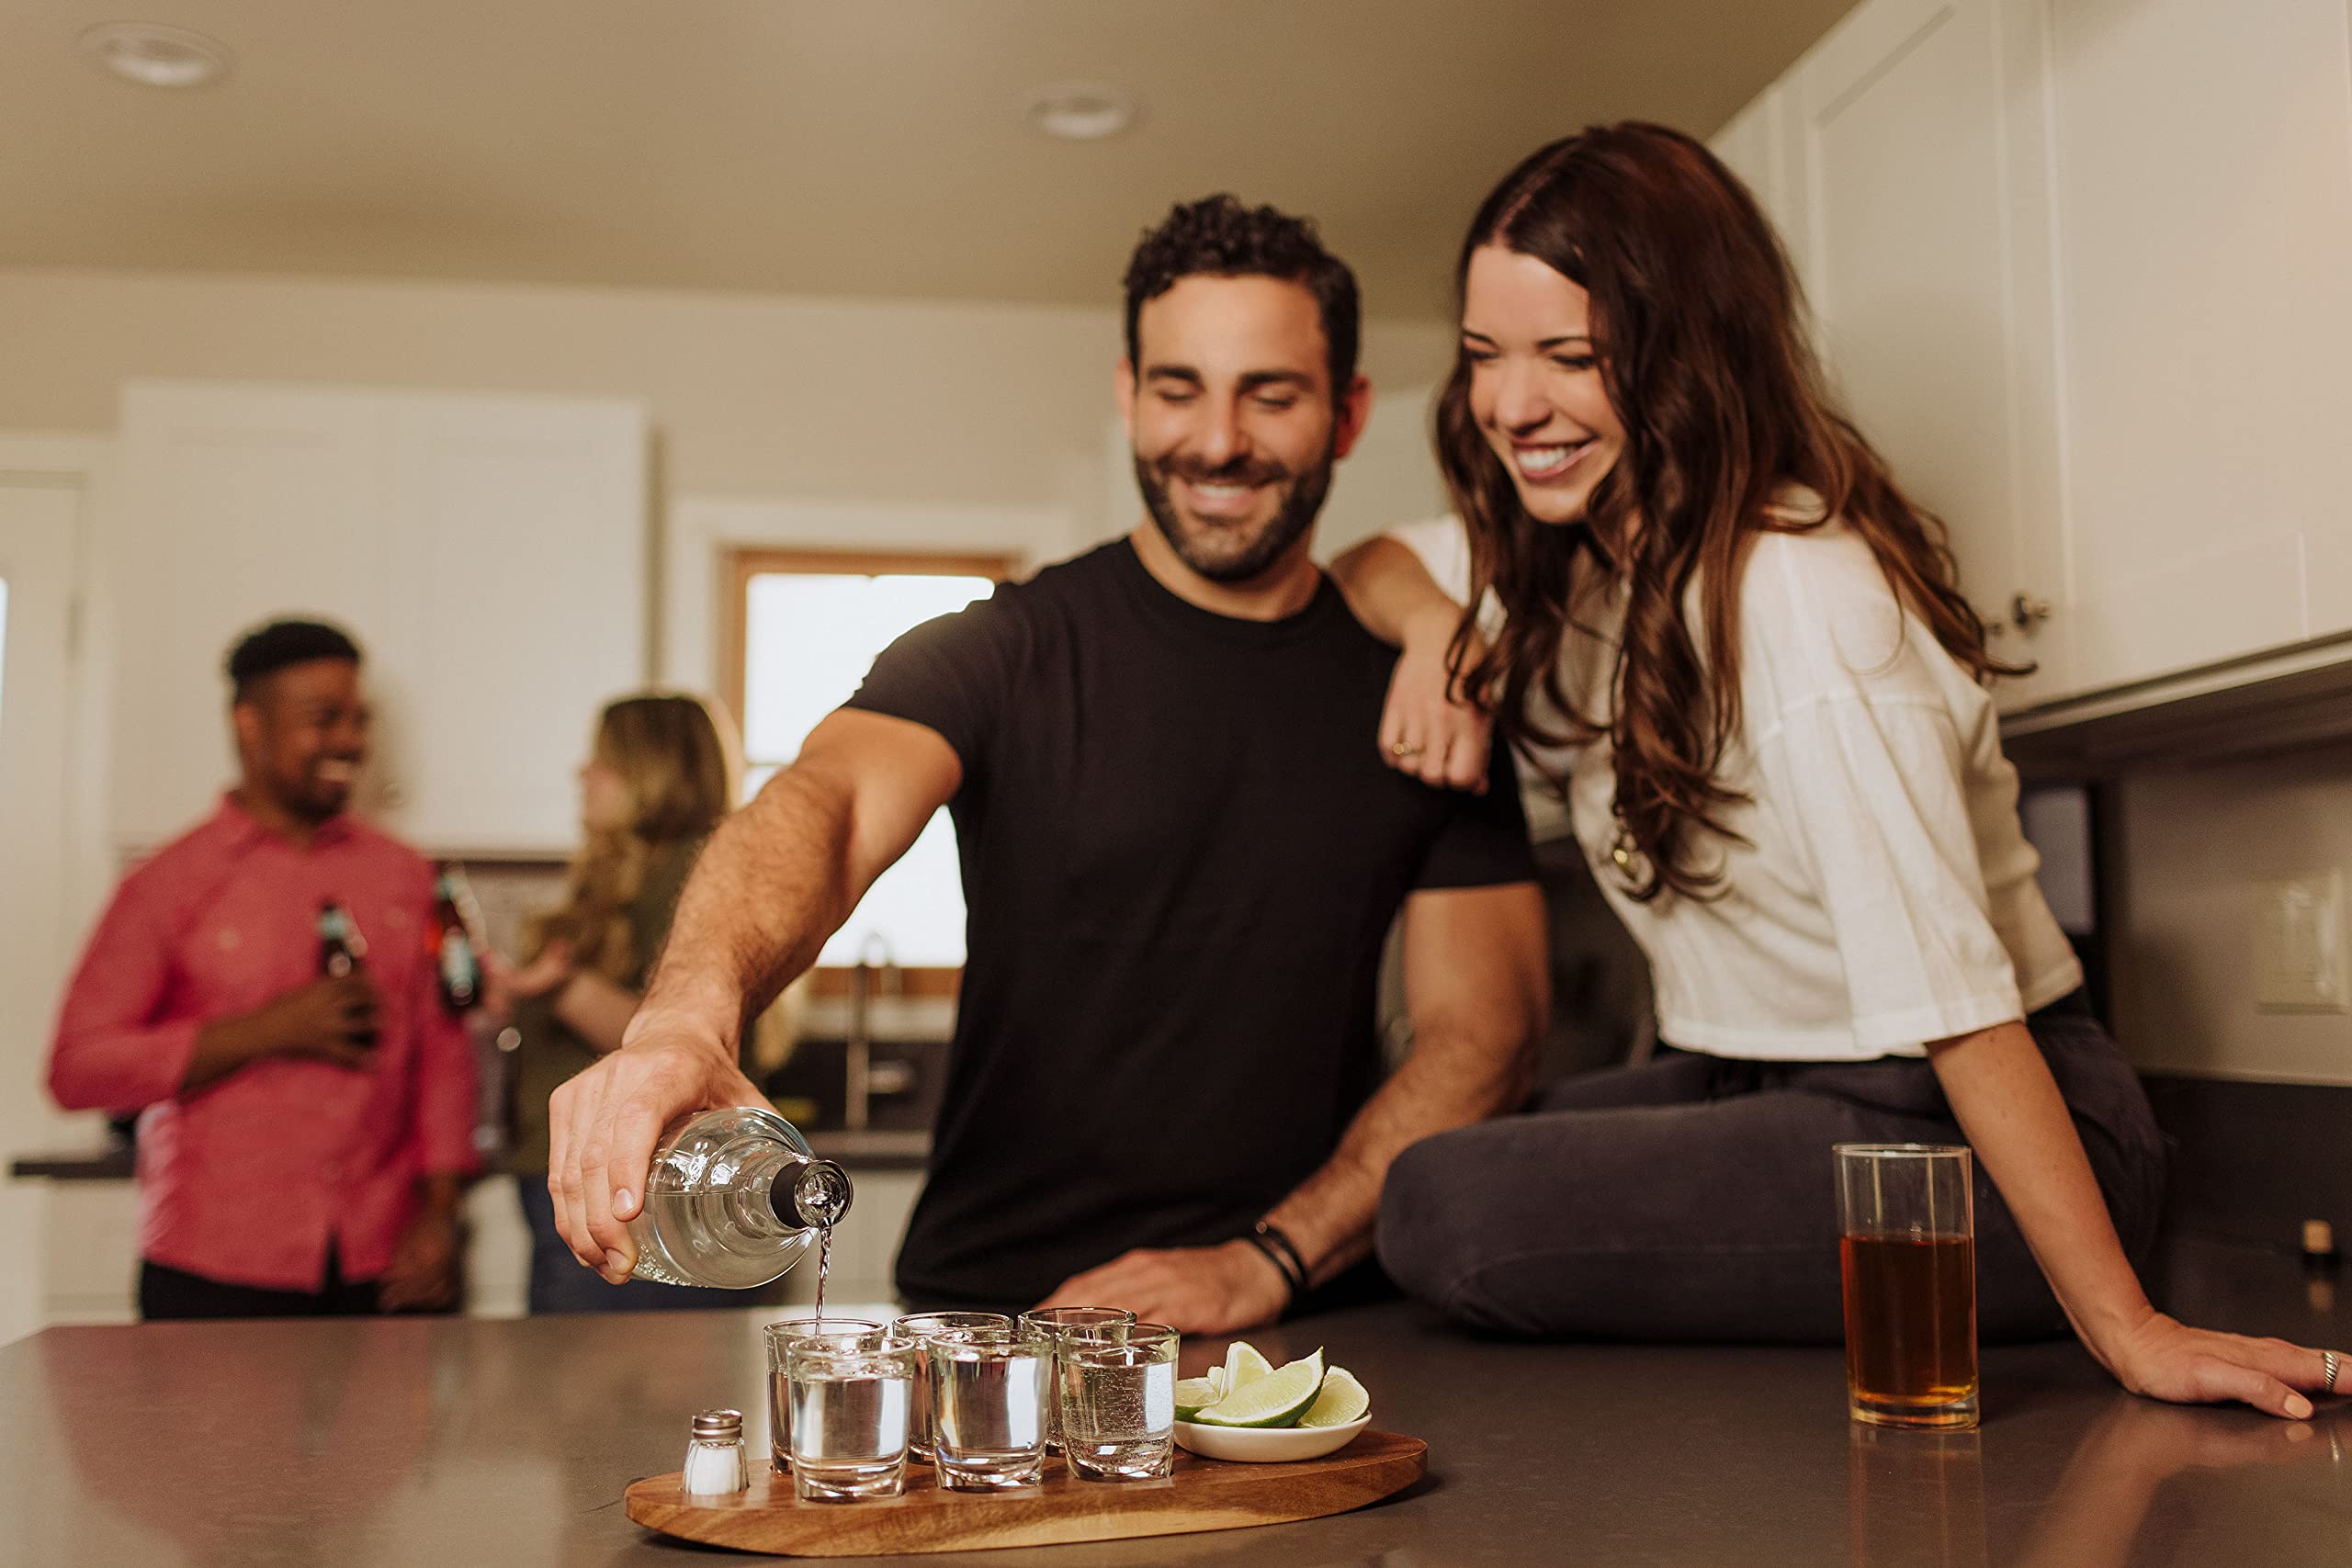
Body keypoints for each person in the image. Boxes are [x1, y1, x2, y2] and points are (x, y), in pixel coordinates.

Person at [1330, 123, 2343, 1417]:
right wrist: (1435, 629)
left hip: (1960, 1125)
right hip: (1766, 1077)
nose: (1512, 405)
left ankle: (2067, 1267)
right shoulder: (1585, 556)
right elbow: (1360, 563)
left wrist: (2132, 1327)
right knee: (1447, 1150)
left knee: (1440, 1200)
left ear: (1682, 355)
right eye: (1485, 355)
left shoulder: (1798, 596)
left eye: (1570, 357)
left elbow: (1960, 999)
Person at [545, 196, 1550, 1333]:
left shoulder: (1429, 694)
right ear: (1128, 393)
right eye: (1178, 389)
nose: (1216, 440)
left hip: (1298, 1329)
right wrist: (686, 1017)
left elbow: (1486, 1034)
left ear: (1349, 411)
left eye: (1269, 395)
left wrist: (1266, 1260)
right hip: (995, 1315)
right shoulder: (998, 650)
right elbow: (823, 809)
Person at [48, 619, 477, 1319]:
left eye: (358, 719)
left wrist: (441, 1210)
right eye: (323, 718)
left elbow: (445, 1056)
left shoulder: (404, 875)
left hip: (384, 1260)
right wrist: (265, 1030)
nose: (350, 740)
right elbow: (77, 1066)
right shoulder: (167, 885)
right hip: (212, 1263)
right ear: (250, 725)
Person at [481, 692, 763, 1314]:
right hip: (598, 1183)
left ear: (653, 772)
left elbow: (685, 1041)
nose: (582, 774)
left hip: (638, 1196)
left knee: (599, 1395)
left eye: (603, 760)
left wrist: (559, 985)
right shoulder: (633, 873)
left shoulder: (693, 873)